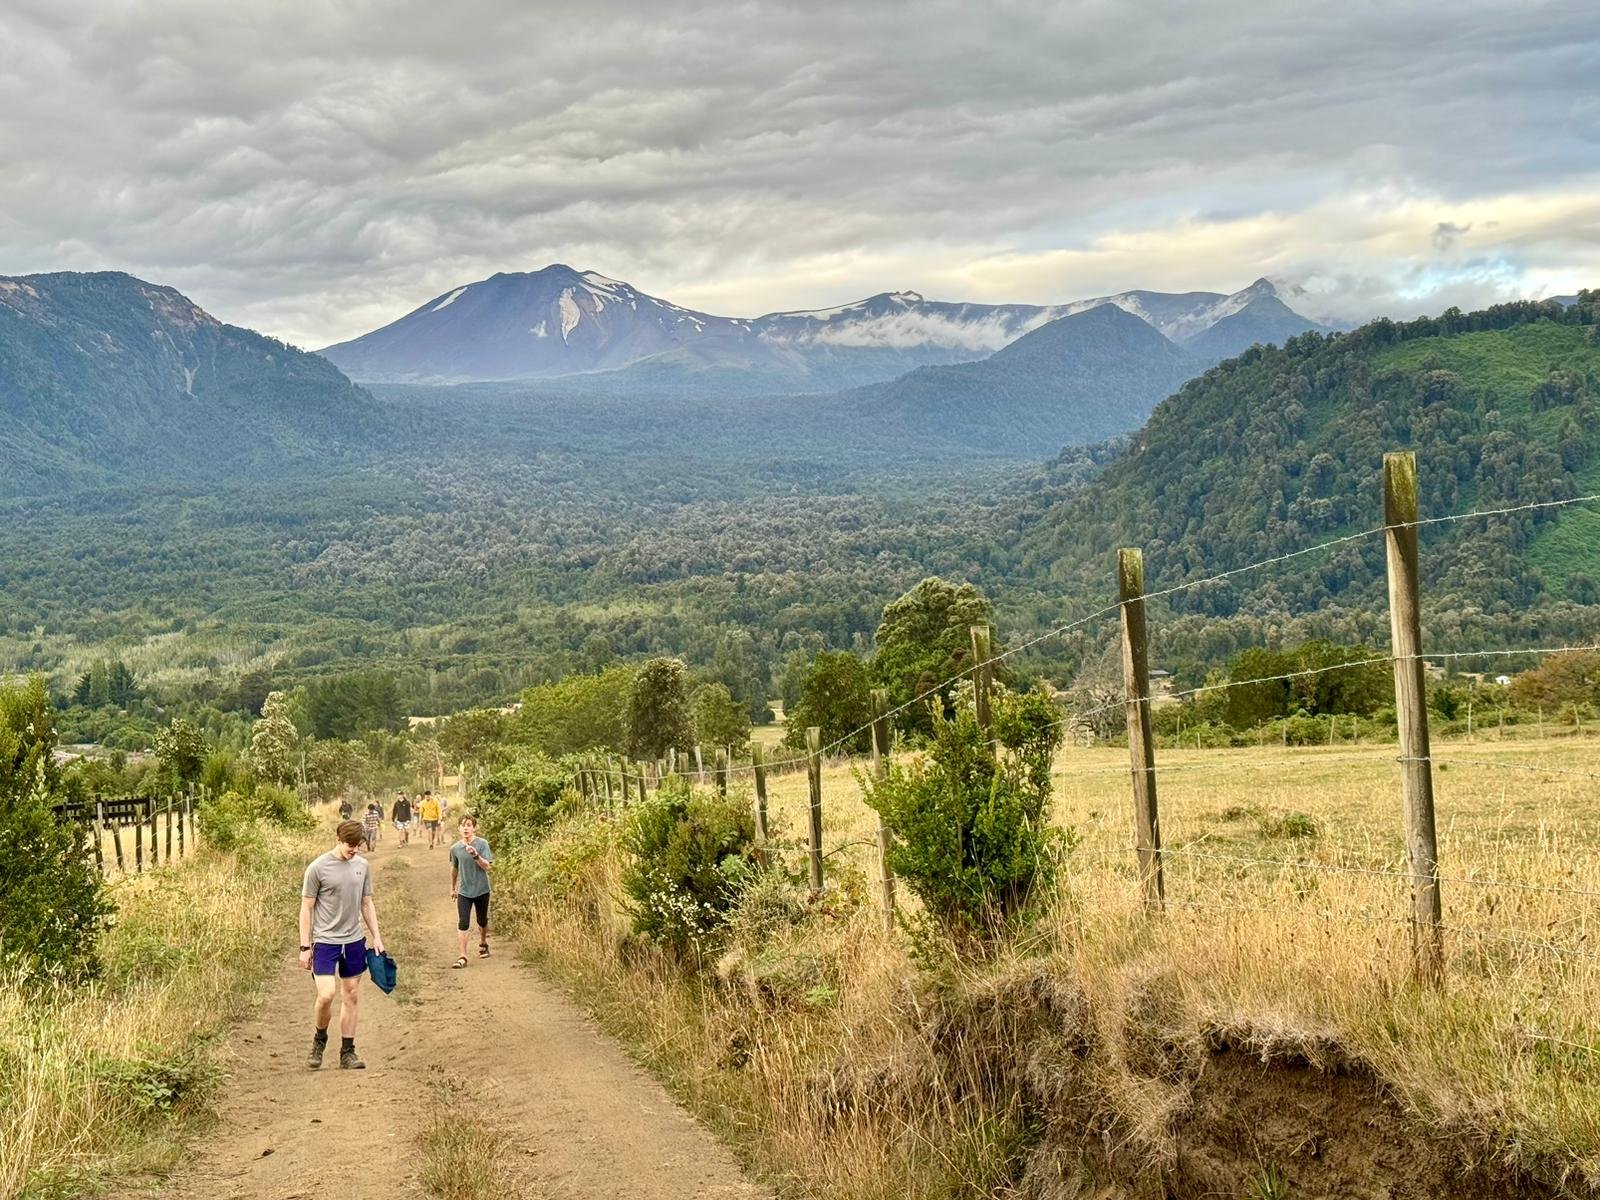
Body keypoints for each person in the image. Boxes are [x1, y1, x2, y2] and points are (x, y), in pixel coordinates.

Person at [299, 820, 385, 1070]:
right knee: (326, 995)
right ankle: (319, 1040)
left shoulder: (362, 866)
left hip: (354, 940)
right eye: (350, 845)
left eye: (358, 845)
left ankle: (348, 1052)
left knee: (352, 994)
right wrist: (305, 947)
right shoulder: (317, 868)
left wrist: (376, 936)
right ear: (338, 839)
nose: (354, 850)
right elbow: (306, 907)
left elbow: (366, 903)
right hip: (325, 941)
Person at [448, 815, 494, 968]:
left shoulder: (482, 844)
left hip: (481, 889)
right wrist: (452, 888)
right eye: (463, 825)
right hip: (464, 891)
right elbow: (454, 869)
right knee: (463, 922)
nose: (466, 828)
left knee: (482, 920)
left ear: (474, 827)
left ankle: (483, 942)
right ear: (459, 829)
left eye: (469, 825)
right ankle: (462, 956)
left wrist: (475, 855)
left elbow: (487, 866)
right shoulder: (455, 848)